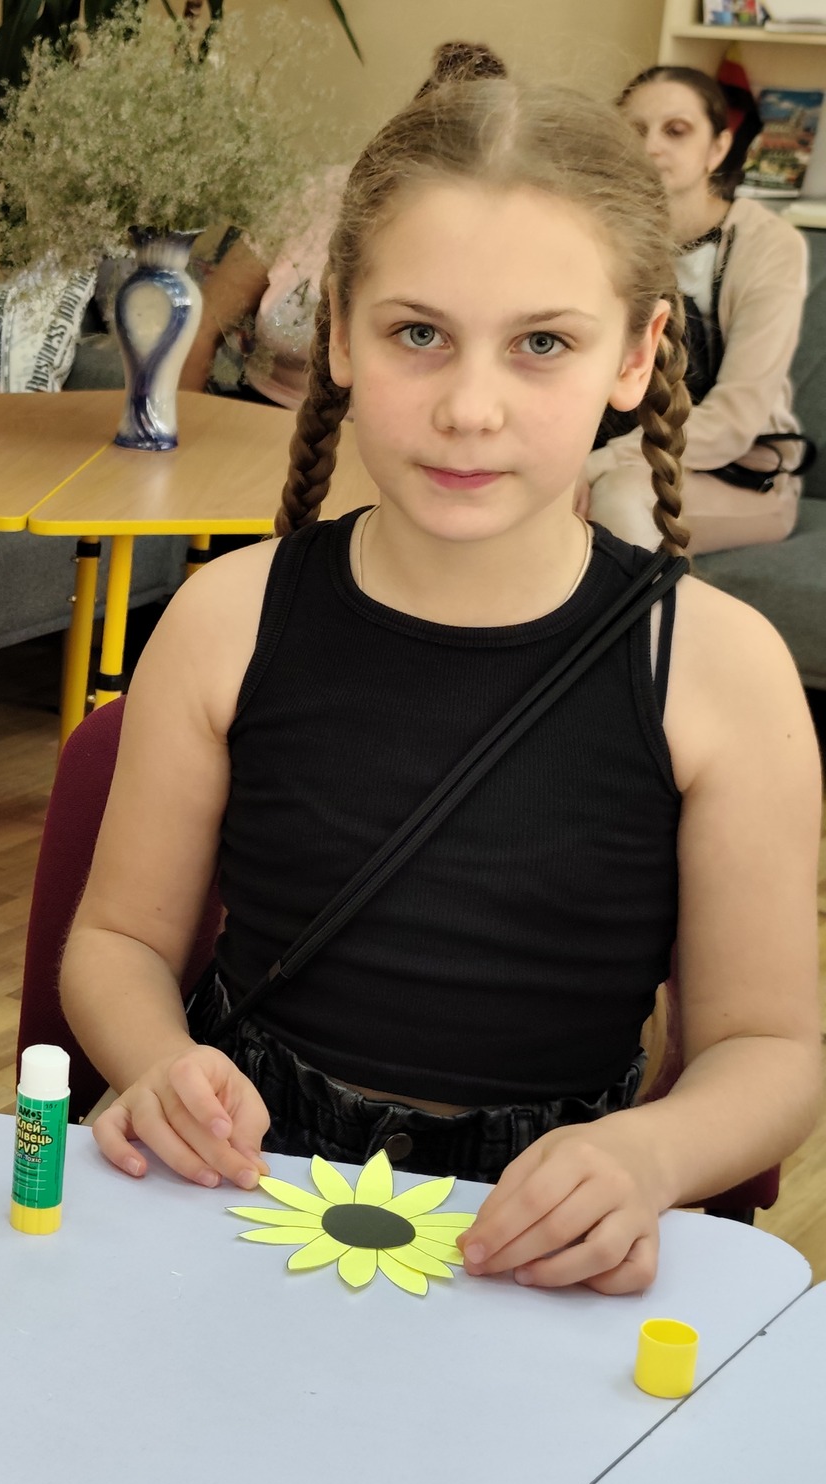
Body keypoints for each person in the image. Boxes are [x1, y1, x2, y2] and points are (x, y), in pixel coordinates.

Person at [63, 80, 819, 1296]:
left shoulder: (721, 673)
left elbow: (768, 1048)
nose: (469, 408)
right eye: (418, 334)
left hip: (533, 1235)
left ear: (634, 356)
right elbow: (115, 942)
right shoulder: (221, 619)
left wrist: (645, 1154)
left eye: (542, 344)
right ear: (340, 335)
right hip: (239, 1191)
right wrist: (155, 1062)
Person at [179, 42, 508, 410]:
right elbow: (201, 329)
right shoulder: (315, 195)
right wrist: (182, 432)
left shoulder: (495, 240)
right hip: (259, 416)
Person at [586, 65, 809, 554]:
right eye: (635, 131)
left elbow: (735, 418)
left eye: (676, 130)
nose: (651, 147)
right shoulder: (601, 238)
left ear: (718, 148)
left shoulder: (769, 245)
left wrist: (598, 465)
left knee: (620, 496)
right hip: (618, 449)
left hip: (741, 475)